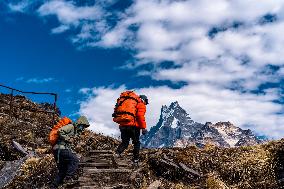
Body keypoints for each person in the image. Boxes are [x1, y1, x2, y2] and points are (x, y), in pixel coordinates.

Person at [50, 116, 90, 188]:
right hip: (60, 149)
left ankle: (53, 186)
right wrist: (68, 138)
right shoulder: (71, 126)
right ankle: (68, 179)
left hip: (57, 150)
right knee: (75, 160)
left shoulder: (75, 131)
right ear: (79, 123)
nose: (82, 128)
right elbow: (60, 131)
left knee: (62, 171)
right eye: (82, 126)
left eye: (84, 127)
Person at [112, 91, 148, 167]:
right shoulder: (140, 104)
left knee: (125, 143)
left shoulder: (126, 101)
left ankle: (116, 154)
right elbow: (140, 116)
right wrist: (143, 128)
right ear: (143, 100)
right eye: (146, 102)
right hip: (133, 126)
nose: (145, 104)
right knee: (136, 143)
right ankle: (135, 161)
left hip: (123, 125)